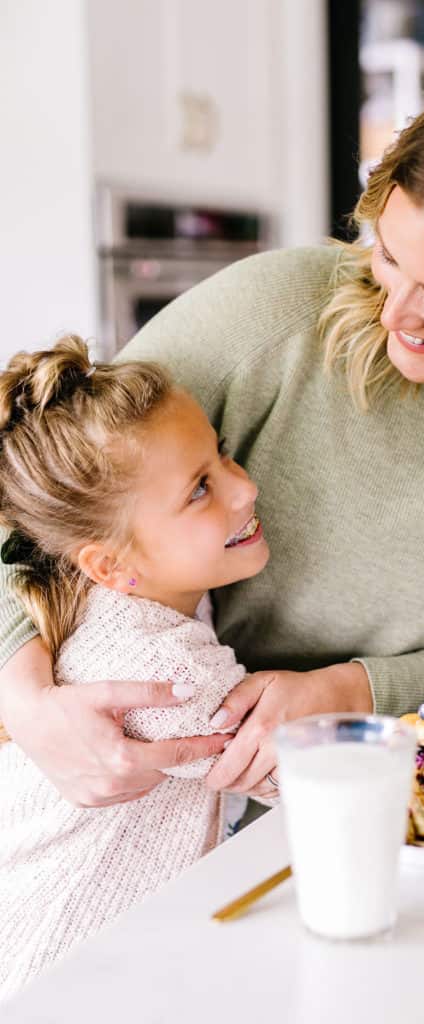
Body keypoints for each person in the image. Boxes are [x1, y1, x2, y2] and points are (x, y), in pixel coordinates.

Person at [1, 66, 424, 811]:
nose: (394, 315)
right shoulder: (276, 313)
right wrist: (27, 701)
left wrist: (343, 692)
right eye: (388, 257)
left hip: (384, 797)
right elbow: (34, 496)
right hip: (151, 804)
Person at [0, 337, 278, 998]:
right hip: (60, 980)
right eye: (199, 490)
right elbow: (331, 783)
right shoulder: (161, 671)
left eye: (223, 455)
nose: (245, 487)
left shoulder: (99, 601)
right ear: (110, 564)